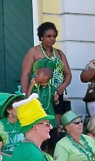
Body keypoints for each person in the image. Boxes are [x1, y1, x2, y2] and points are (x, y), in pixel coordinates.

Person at [20, 22, 72, 150]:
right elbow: (25, 74)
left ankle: (52, 157)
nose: (52, 39)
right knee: (39, 125)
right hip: (38, 95)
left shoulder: (59, 54)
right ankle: (40, 153)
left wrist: (62, 88)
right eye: (48, 36)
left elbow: (68, 74)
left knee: (54, 127)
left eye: (54, 36)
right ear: (41, 37)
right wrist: (24, 95)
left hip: (56, 95)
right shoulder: (34, 51)